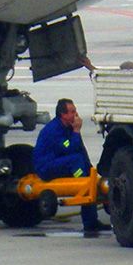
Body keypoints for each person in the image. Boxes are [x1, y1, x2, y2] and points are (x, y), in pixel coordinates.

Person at [33, 98, 111, 234]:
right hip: (46, 167)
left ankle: (91, 220)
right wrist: (76, 131)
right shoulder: (54, 130)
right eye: (72, 112)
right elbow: (70, 148)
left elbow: (80, 150)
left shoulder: (67, 127)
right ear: (63, 115)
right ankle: (83, 182)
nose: (76, 115)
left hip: (61, 162)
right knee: (77, 163)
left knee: (84, 168)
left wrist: (90, 169)